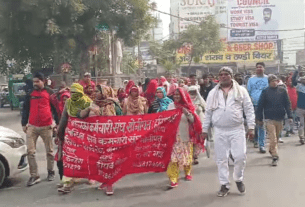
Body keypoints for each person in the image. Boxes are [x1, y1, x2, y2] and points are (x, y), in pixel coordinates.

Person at [203, 67, 255, 197]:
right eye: (221, 74)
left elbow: (248, 109)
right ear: (218, 77)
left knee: (240, 156)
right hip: (219, 130)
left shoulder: (241, 91)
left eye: (226, 74)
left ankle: (238, 178)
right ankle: (224, 184)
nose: (223, 76)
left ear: (231, 76)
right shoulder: (213, 93)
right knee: (221, 159)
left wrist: (251, 127)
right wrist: (204, 129)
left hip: (237, 129)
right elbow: (208, 112)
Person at [21, 72, 60, 187]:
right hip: (32, 127)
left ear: (43, 81)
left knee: (50, 152)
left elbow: (55, 109)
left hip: (46, 126)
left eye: (37, 81)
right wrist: (24, 124)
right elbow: (25, 109)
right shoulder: (30, 94)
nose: (35, 84)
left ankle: (50, 172)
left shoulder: (50, 93)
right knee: (30, 152)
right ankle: (34, 176)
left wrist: (57, 124)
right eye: (34, 81)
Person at [57, 83, 92, 193]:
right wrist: (59, 132)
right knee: (70, 158)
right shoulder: (68, 102)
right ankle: (67, 182)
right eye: (72, 92)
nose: (73, 95)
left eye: (76, 93)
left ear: (81, 92)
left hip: (84, 134)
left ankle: (90, 176)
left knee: (85, 156)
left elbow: (92, 119)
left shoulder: (87, 102)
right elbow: (64, 118)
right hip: (71, 134)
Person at [167, 88, 204, 189]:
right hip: (174, 137)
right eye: (175, 95)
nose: (176, 97)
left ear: (183, 96)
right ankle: (173, 179)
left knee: (187, 156)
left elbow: (193, 121)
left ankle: (187, 172)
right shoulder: (171, 106)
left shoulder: (188, 106)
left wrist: (186, 112)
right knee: (173, 159)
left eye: (178, 95)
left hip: (186, 136)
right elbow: (166, 119)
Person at [256, 75, 292, 166]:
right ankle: (275, 156)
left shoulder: (282, 91)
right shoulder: (265, 92)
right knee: (273, 138)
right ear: (269, 82)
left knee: (276, 136)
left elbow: (287, 104)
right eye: (272, 81)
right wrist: (259, 118)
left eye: (275, 80)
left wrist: (290, 116)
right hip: (269, 118)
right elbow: (260, 105)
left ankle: (272, 149)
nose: (274, 82)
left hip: (280, 118)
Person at [247, 62, 268, 153]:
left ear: (264, 68)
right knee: (254, 124)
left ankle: (262, 145)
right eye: (257, 67)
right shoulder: (251, 80)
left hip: (265, 105)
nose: (259, 68)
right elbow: (248, 92)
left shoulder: (268, 79)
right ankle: (255, 140)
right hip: (254, 104)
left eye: (261, 67)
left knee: (262, 124)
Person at [188, 86, 206, 165]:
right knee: (190, 140)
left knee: (198, 140)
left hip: (199, 122)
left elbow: (206, 108)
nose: (192, 93)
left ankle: (195, 156)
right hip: (190, 123)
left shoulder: (200, 100)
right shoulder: (186, 101)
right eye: (190, 92)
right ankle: (190, 156)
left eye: (194, 92)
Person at [292, 66, 305, 144]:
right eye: (303, 79)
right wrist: (297, 71)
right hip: (300, 108)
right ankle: (301, 137)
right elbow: (293, 81)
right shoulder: (299, 86)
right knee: (301, 123)